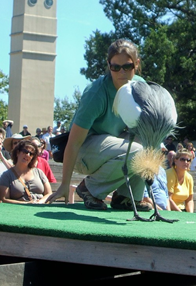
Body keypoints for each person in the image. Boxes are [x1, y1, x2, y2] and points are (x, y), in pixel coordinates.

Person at [46, 39, 151, 212]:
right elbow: (73, 143)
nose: (121, 72)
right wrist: (65, 184)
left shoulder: (140, 87)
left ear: (137, 64)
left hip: (111, 148)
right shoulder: (96, 93)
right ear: (108, 65)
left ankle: (125, 197)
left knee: (149, 145)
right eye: (115, 67)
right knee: (137, 151)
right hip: (83, 152)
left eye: (127, 66)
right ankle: (89, 189)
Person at [0, 140, 52, 204]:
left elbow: (49, 193)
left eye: (31, 154)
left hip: (40, 207)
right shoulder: (7, 175)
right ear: (18, 153)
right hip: (18, 210)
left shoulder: (39, 172)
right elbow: (4, 199)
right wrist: (27, 204)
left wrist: (40, 202)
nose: (28, 155)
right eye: (25, 151)